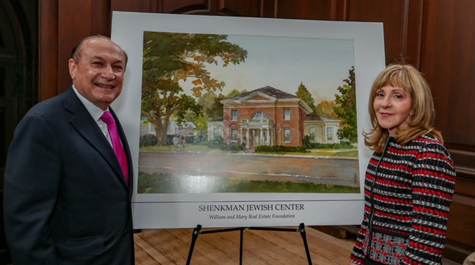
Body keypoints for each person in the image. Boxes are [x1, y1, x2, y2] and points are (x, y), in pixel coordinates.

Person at [3, 35, 135, 264]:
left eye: (117, 67)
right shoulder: (43, 123)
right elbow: (26, 225)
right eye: (98, 63)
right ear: (73, 68)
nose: (109, 73)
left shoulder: (109, 118)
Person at [350, 64, 457, 265]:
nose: (385, 103)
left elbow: (427, 236)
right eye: (380, 95)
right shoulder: (384, 149)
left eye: (397, 96)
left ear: (416, 105)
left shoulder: (429, 153)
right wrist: (357, 258)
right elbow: (370, 216)